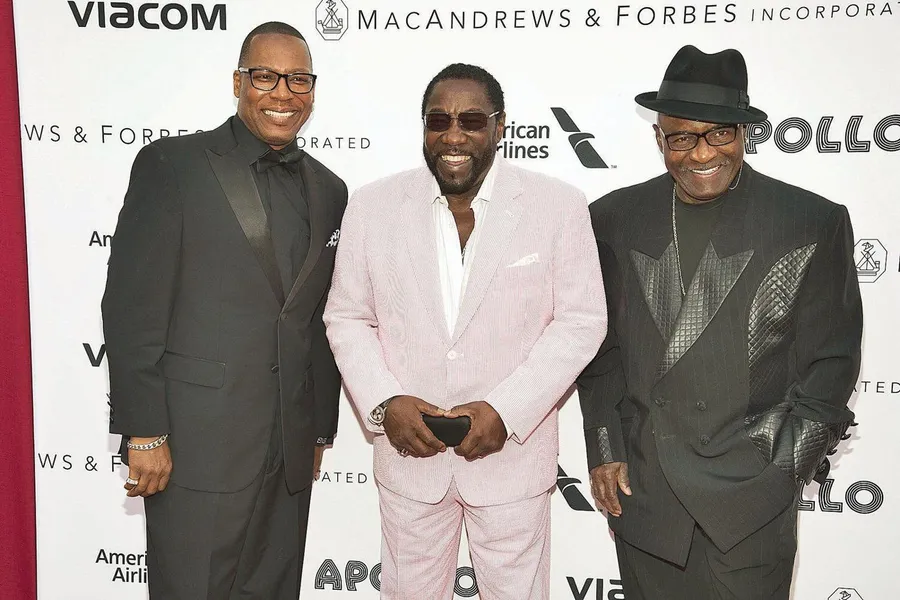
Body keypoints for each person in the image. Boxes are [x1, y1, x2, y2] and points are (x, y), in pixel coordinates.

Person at [577, 44, 863, 599]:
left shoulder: (809, 221)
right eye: (682, 138)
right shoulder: (612, 218)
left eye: (719, 134)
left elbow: (832, 366)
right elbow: (601, 351)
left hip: (750, 503)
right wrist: (606, 449)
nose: (702, 153)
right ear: (659, 138)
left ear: (744, 133)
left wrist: (781, 476)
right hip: (648, 498)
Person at [323, 63, 606, 600]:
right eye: (439, 121)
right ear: (423, 127)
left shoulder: (557, 206)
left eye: (472, 121)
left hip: (511, 463)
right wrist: (385, 403)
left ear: (501, 126)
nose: (453, 136)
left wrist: (507, 410)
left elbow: (581, 321)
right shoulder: (372, 206)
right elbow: (347, 316)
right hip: (410, 459)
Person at [101, 21, 347, 599]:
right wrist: (144, 431)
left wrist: (317, 430)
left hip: (287, 453)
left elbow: (317, 319)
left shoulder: (331, 189)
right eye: (265, 77)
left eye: (299, 79)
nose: (283, 93)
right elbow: (131, 307)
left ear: (313, 90)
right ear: (238, 83)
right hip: (196, 445)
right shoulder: (174, 165)